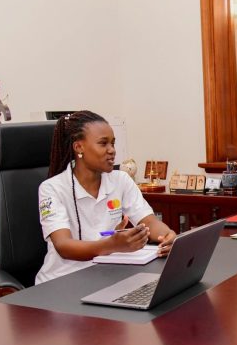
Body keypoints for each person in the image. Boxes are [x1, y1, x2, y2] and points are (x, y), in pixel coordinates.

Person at [36, 110, 176, 284]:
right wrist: (113, 245)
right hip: (61, 282)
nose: (112, 151)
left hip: (106, 276)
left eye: (113, 143)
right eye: (103, 144)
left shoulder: (121, 180)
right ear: (79, 147)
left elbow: (149, 222)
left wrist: (168, 236)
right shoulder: (52, 188)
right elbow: (64, 246)